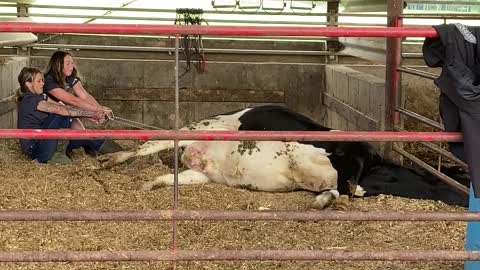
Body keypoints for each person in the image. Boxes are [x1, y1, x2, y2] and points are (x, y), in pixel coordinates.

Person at [17, 67, 108, 164]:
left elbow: (60, 106)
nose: (43, 83)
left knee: (88, 136)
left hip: (50, 141)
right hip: (36, 149)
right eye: (39, 81)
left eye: (42, 80)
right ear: (28, 84)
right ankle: (55, 156)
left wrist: (91, 116)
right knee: (62, 113)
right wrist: (93, 114)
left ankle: (122, 154)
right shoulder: (30, 99)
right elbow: (62, 110)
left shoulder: (41, 96)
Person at [43, 50, 122, 156]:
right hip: (50, 115)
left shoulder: (70, 76)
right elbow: (73, 100)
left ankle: (90, 147)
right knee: (77, 132)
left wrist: (99, 110)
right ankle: (64, 149)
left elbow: (84, 95)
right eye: (67, 63)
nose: (71, 66)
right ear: (58, 65)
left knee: (81, 131)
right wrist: (97, 110)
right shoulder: (49, 80)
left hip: (65, 111)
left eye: (72, 62)